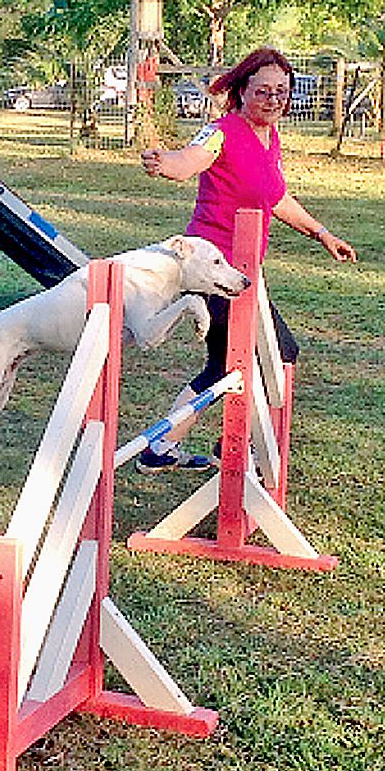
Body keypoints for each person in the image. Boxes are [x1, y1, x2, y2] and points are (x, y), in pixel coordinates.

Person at [136, 47, 357, 472]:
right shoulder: (221, 131)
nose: (273, 100)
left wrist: (322, 233)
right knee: (273, 354)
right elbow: (189, 161)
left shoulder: (269, 139)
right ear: (240, 92)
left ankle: (168, 447)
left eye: (282, 92)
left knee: (233, 363)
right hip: (211, 272)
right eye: (263, 91)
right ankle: (226, 445)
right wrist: (165, 163)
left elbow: (276, 197)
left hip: (242, 274)